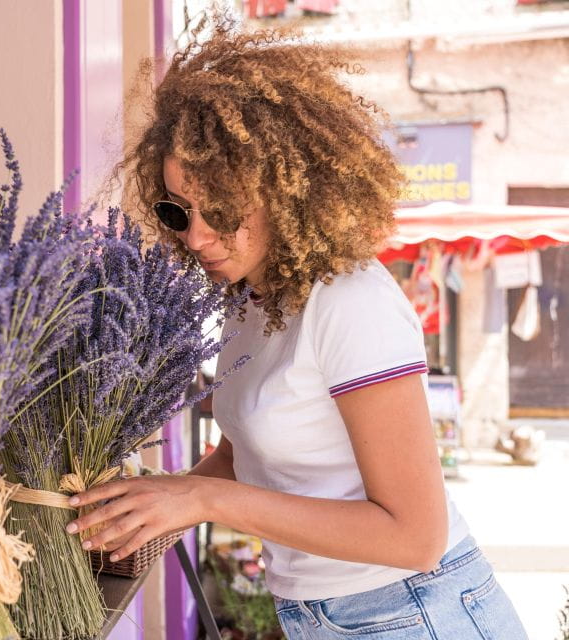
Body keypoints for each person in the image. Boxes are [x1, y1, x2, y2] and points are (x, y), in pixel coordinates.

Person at [65, 21, 528, 639]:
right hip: (328, 616)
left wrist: (201, 501)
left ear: (286, 193)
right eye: (178, 210)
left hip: (415, 611)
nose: (196, 236)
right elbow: (245, 455)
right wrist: (156, 503)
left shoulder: (349, 302)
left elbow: (416, 537)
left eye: (221, 210)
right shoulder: (252, 301)